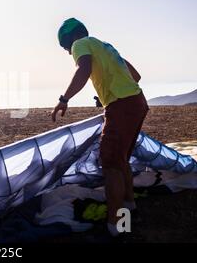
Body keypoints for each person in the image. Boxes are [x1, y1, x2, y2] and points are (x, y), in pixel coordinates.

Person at [51, 18, 149, 237]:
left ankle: (117, 227)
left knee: (111, 164)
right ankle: (129, 206)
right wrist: (105, 91)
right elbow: (136, 76)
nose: (69, 52)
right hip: (138, 102)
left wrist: (64, 99)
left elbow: (83, 70)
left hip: (122, 105)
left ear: (70, 39)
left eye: (66, 47)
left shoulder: (80, 44)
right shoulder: (105, 46)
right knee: (121, 158)